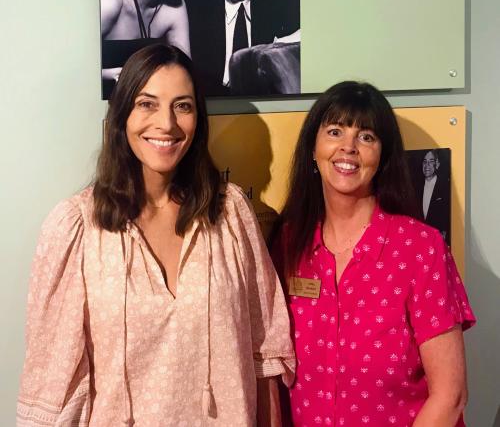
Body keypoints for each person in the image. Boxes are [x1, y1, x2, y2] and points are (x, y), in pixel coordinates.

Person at [17, 44, 295, 426]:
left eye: (182, 106)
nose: (166, 124)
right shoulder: (77, 228)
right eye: (147, 104)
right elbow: (53, 387)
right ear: (121, 116)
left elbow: (263, 356)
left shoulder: (230, 213)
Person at [273, 81, 475, 426]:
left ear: (382, 156)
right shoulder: (288, 243)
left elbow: (451, 394)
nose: (348, 147)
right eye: (335, 131)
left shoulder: (420, 249)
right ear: (313, 146)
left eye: (366, 137)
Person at [418, 149, 451, 245]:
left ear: (437, 164)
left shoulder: (445, 187)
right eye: (424, 161)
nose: (427, 165)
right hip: (421, 239)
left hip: (438, 241)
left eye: (431, 161)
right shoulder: (416, 187)